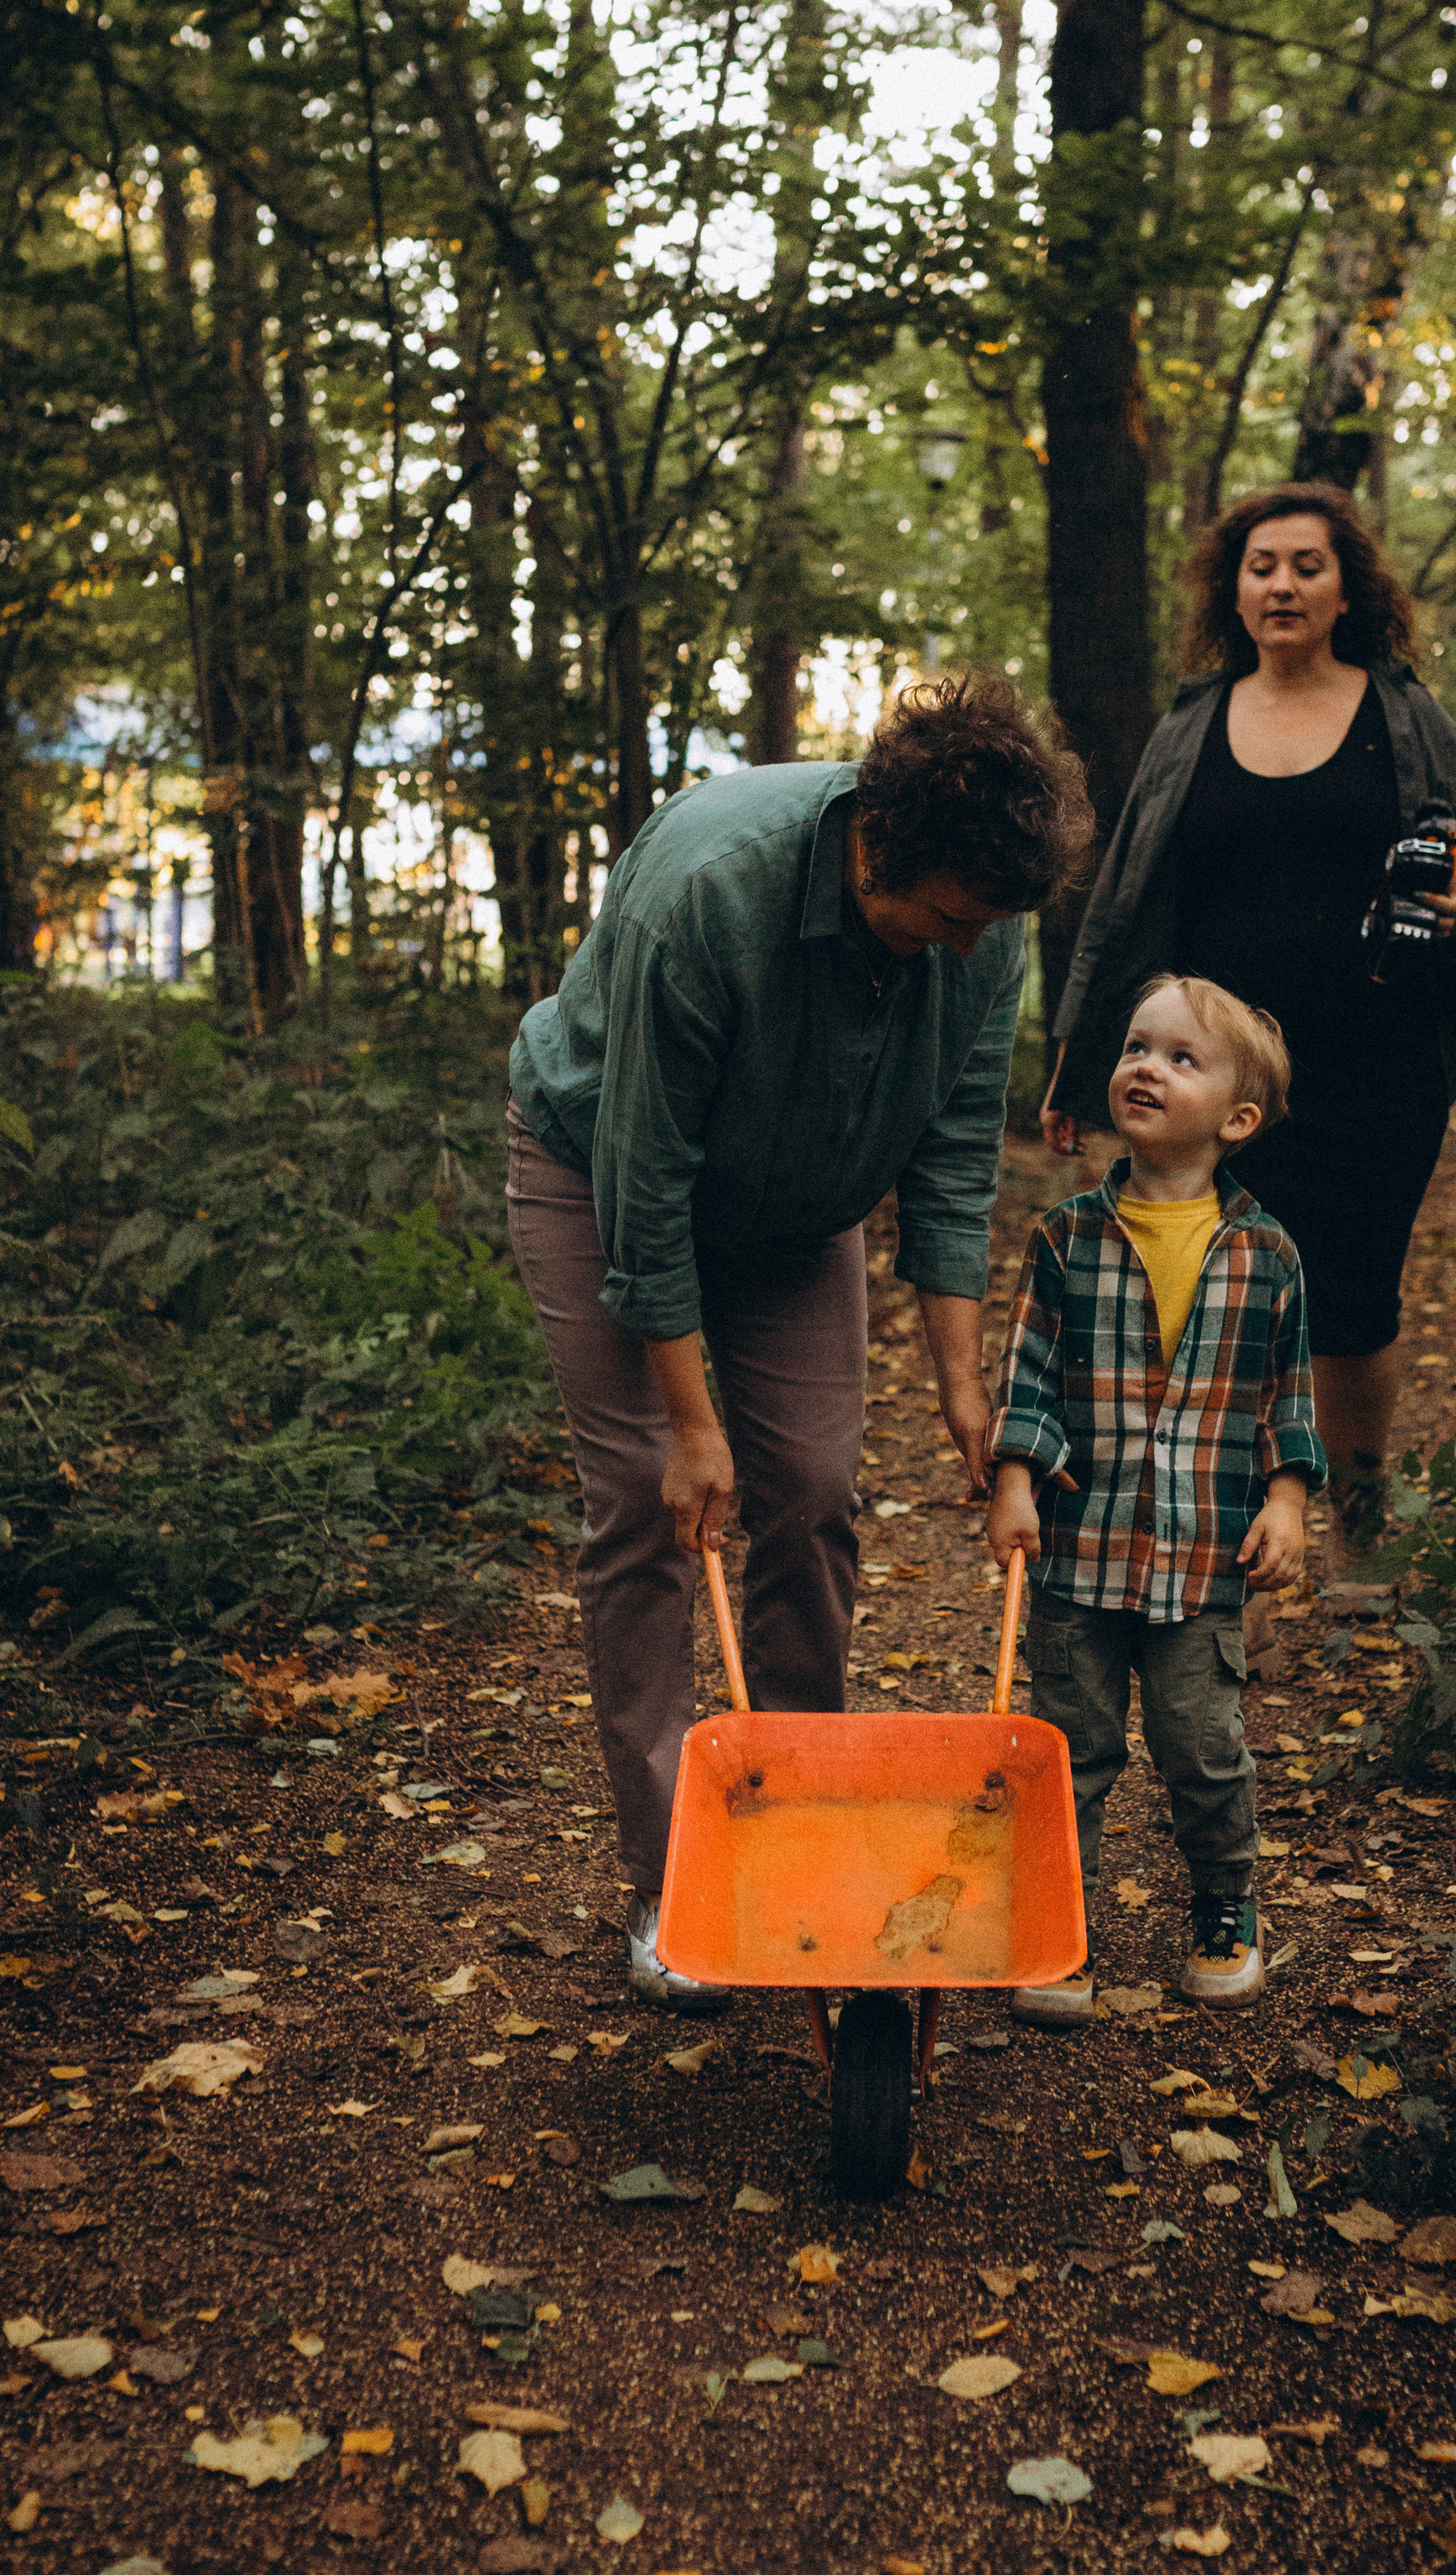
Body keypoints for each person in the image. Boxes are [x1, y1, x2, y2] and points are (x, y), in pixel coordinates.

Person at [506, 674, 1091, 2011]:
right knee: (652, 1514)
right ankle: (674, 1886)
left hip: (798, 1210)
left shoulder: (980, 920)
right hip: (600, 1172)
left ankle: (801, 1823)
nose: (967, 948)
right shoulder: (713, 893)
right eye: (947, 920)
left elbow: (949, 1156)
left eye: (986, 929)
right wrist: (691, 1422)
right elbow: (644, 1177)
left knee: (817, 1492)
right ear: (880, 845)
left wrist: (960, 1386)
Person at [1040, 481, 1456, 1552]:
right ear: (1235, 588)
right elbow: (1123, 901)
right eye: (1261, 565)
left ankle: (1357, 1530)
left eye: (1306, 565)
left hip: (1378, 1061)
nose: (1281, 584)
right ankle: (1226, 1544)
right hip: (1215, 1078)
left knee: (1354, 1307)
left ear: (1345, 589)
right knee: (1213, 1306)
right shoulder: (1191, 725)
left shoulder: (1404, 714)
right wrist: (1076, 1061)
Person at [986, 974, 1323, 2017]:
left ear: (1237, 1118)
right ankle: (1058, 1925)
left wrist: (1287, 1503)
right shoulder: (1067, 1235)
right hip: (1080, 1552)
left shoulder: (1266, 1253)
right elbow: (1029, 1371)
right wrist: (1010, 1480)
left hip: (1201, 1558)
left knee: (1203, 1750)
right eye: (1137, 1046)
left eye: (1181, 1058)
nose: (1145, 1067)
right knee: (1068, 1752)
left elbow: (1286, 1391)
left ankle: (1225, 1905)